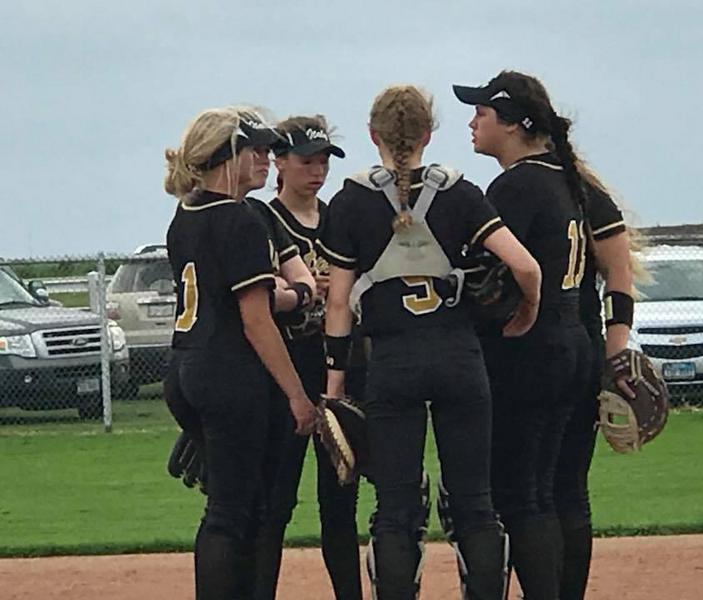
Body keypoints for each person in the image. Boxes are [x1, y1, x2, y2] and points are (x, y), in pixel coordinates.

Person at [319, 84, 542, 600]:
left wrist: (334, 390)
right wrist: (526, 311)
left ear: (373, 136)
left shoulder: (351, 201)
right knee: (475, 506)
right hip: (459, 358)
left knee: (396, 510)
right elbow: (526, 266)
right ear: (428, 134)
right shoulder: (460, 193)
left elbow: (337, 305)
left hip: (392, 363)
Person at [163, 105, 317, 600]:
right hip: (230, 372)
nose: (265, 159)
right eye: (253, 149)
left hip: (187, 367)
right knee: (234, 514)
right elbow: (255, 319)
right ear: (226, 157)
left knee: (236, 509)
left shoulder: (186, 212)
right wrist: (297, 395)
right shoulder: (238, 219)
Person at [453, 71, 592, 600]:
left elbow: (484, 271)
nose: (472, 122)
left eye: (482, 113)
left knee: (520, 495)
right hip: (571, 339)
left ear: (511, 125)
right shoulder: (561, 177)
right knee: (547, 491)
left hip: (531, 348)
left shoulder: (517, 186)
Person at [246, 115, 363, 600]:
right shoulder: (262, 218)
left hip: (337, 369)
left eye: (322, 162)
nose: (316, 172)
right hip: (287, 371)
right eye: (305, 161)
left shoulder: (338, 218)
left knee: (340, 500)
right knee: (276, 502)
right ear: (278, 161)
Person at [553, 160, 640, 600]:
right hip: (583, 349)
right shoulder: (580, 191)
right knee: (566, 490)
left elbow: (619, 269)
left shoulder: (564, 190)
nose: (473, 125)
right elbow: (621, 272)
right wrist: (616, 348)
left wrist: (617, 352)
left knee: (543, 492)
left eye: (484, 114)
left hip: (556, 354)